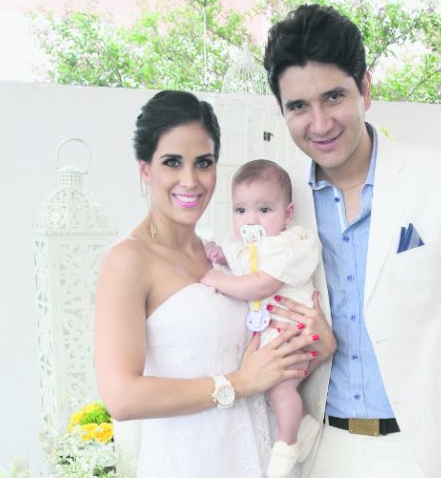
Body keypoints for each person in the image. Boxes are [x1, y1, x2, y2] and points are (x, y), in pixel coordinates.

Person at [263, 4, 441, 478]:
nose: (320, 123)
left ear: (366, 89)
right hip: (320, 447)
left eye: (334, 97)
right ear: (282, 110)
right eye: (299, 106)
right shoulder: (283, 198)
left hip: (421, 447)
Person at [93, 90, 334, 478]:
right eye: (172, 162)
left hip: (259, 454)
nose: (190, 180)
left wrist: (317, 342)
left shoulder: (225, 252)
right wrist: (238, 383)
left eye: (203, 163)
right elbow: (122, 397)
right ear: (145, 169)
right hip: (192, 462)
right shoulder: (128, 260)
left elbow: (262, 351)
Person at [201, 159, 323, 478]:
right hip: (271, 334)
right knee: (271, 392)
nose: (250, 219)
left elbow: (261, 284)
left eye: (264, 210)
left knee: (280, 390)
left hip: (293, 332)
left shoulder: (288, 245)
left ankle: (286, 446)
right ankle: (303, 427)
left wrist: (215, 277)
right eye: (241, 210)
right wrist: (222, 256)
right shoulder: (244, 246)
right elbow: (242, 263)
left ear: (287, 213)